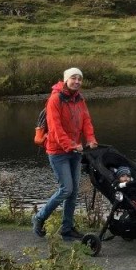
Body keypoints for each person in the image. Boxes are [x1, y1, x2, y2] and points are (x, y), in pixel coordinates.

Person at [32, 67, 97, 240]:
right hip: (58, 151)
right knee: (66, 189)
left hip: (75, 151)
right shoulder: (55, 100)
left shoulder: (79, 99)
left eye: (80, 79)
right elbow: (55, 128)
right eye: (74, 78)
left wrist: (90, 139)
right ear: (66, 80)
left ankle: (67, 228)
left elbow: (86, 121)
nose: (77, 82)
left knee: (74, 191)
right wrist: (70, 145)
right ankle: (39, 217)